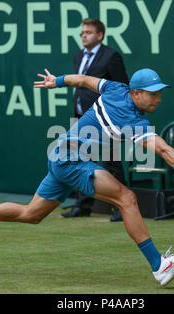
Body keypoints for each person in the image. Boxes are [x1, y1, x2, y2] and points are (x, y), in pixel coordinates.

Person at [0, 68, 174, 287]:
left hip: (60, 155)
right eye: (153, 93)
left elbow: (82, 80)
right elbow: (162, 149)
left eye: (160, 93)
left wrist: (55, 81)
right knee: (127, 198)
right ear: (135, 92)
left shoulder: (115, 88)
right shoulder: (129, 117)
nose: (158, 98)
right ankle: (159, 265)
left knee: (31, 215)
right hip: (71, 160)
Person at [62, 18, 129, 221]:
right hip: (82, 117)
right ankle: (83, 206)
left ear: (99, 35)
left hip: (106, 119)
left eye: (89, 32)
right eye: (82, 32)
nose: (84, 35)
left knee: (112, 163)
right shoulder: (78, 56)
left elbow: (121, 87)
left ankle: (121, 208)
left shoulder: (111, 56)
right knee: (81, 161)